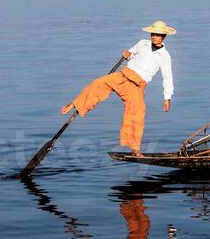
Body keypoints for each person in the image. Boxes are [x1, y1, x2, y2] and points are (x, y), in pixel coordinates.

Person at [61, 21, 175, 157]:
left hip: (137, 85)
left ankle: (135, 149)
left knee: (136, 114)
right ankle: (76, 103)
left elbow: (167, 78)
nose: (153, 37)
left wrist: (167, 97)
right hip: (123, 75)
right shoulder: (142, 43)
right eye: (152, 34)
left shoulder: (165, 56)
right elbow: (132, 53)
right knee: (98, 83)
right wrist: (128, 54)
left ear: (163, 36)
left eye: (157, 35)